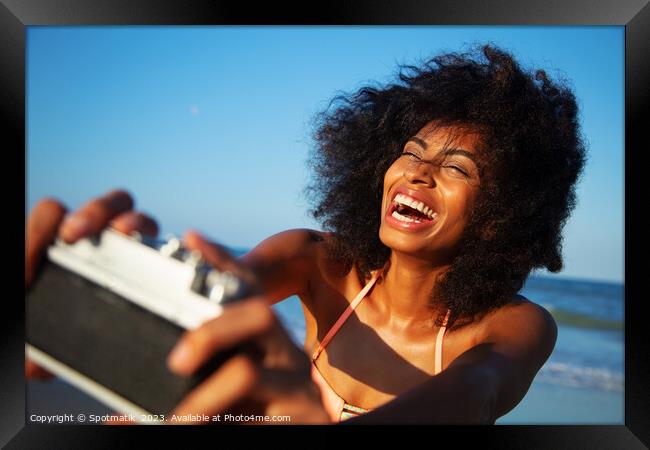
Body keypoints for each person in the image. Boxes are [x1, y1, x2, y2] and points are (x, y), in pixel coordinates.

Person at [25, 44, 586, 424]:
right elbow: (222, 292)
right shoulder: (319, 260)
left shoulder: (514, 327)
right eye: (411, 154)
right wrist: (102, 284)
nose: (418, 171)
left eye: (457, 168)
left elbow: (474, 393)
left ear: (501, 214)